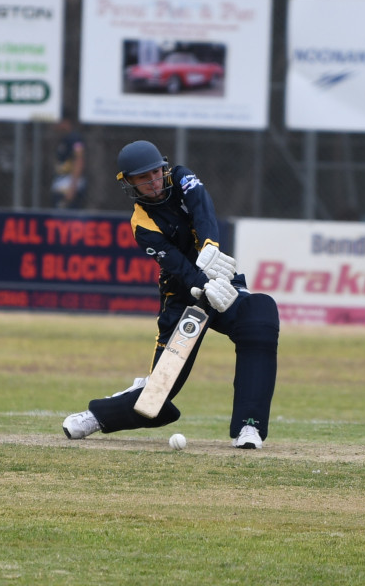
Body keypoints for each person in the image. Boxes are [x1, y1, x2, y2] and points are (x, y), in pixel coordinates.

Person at [61, 139, 279, 447]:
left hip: (220, 279)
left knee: (261, 314)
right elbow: (178, 266)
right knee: (156, 401)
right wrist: (203, 283)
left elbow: (203, 208)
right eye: (143, 178)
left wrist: (209, 249)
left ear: (164, 168)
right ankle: (99, 414)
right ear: (130, 183)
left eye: (156, 173)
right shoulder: (142, 223)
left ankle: (249, 427)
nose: (153, 182)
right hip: (183, 298)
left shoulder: (181, 177)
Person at [49, 121, 88, 209]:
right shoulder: (63, 139)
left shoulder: (74, 139)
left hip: (68, 187)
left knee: (69, 218)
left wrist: (72, 188)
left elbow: (79, 160)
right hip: (60, 185)